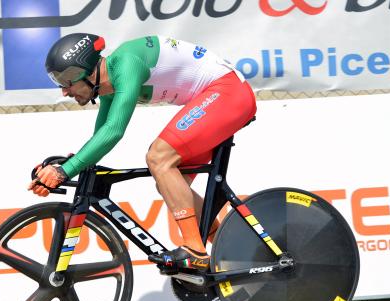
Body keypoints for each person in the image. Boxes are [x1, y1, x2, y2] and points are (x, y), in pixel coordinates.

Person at [29, 33, 256, 272]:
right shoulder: (108, 86)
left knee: (159, 158)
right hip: (214, 97)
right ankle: (228, 244)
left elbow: (114, 130)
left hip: (228, 92)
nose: (64, 91)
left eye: (66, 81)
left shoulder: (127, 63)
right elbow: (100, 138)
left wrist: (65, 171)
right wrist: (66, 166)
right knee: (168, 180)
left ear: (86, 71)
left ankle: (195, 251)